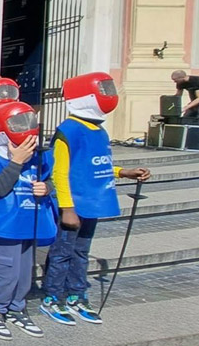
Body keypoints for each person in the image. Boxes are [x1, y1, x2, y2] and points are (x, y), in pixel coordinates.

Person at [43, 72, 151, 326]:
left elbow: (93, 166)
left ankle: (76, 295)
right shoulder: (67, 131)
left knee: (81, 251)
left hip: (92, 202)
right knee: (62, 252)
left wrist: (123, 172)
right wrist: (66, 207)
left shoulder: (99, 131)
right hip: (73, 204)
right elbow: (60, 171)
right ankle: (52, 297)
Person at [0, 102, 54, 341]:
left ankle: (18, 307)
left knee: (25, 268)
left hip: (29, 218)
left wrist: (46, 187)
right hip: (4, 222)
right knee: (5, 268)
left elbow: (50, 179)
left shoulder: (38, 154)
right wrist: (16, 162)